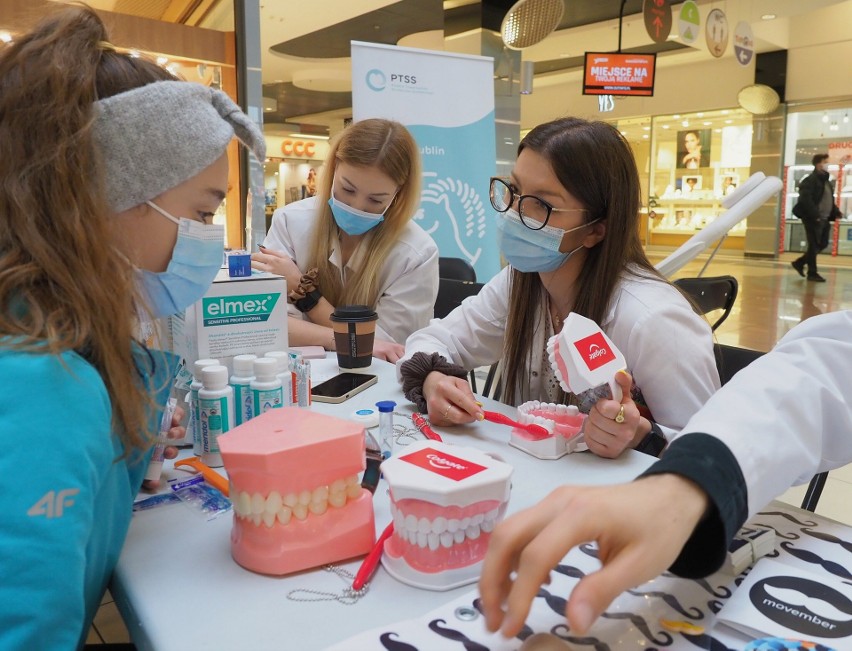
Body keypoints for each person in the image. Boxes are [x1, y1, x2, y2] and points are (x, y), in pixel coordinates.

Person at [0, 7, 264, 648]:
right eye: (203, 210)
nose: (209, 238)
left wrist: (127, 437)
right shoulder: (44, 385)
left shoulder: (63, 346)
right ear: (112, 197)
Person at [478, 309, 852, 639]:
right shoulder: (516, 283)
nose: (518, 224)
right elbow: (826, 368)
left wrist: (676, 465)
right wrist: (691, 478)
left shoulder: (651, 316)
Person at [399, 117, 720, 459]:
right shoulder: (522, 283)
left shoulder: (652, 320)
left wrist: (642, 436)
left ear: (597, 229)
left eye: (543, 205)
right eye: (515, 190)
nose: (514, 213)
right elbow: (434, 339)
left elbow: (712, 456)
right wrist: (434, 378)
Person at [251, 119, 439, 363]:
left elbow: (385, 349)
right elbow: (267, 323)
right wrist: (342, 339)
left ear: (398, 194)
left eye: (376, 200)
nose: (357, 207)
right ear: (334, 168)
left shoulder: (416, 253)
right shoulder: (290, 221)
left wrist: (303, 291)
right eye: (347, 189)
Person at [791, 154, 842, 283]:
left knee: (822, 243)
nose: (827, 164)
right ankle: (812, 273)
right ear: (818, 164)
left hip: (824, 218)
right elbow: (805, 200)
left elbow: (828, 199)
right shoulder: (810, 180)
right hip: (813, 218)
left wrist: (835, 211)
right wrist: (815, 215)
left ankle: (800, 262)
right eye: (825, 162)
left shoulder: (826, 181)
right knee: (813, 245)